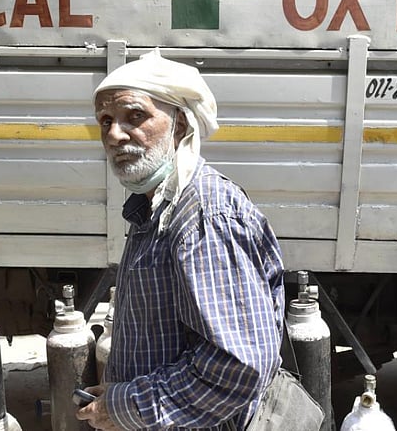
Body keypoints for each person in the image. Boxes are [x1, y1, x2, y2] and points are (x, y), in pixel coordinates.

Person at [76, 49, 286, 430]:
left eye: (134, 116)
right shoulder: (156, 210)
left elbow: (238, 367)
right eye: (105, 121)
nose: (113, 134)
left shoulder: (203, 214)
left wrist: (126, 407)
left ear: (179, 124)